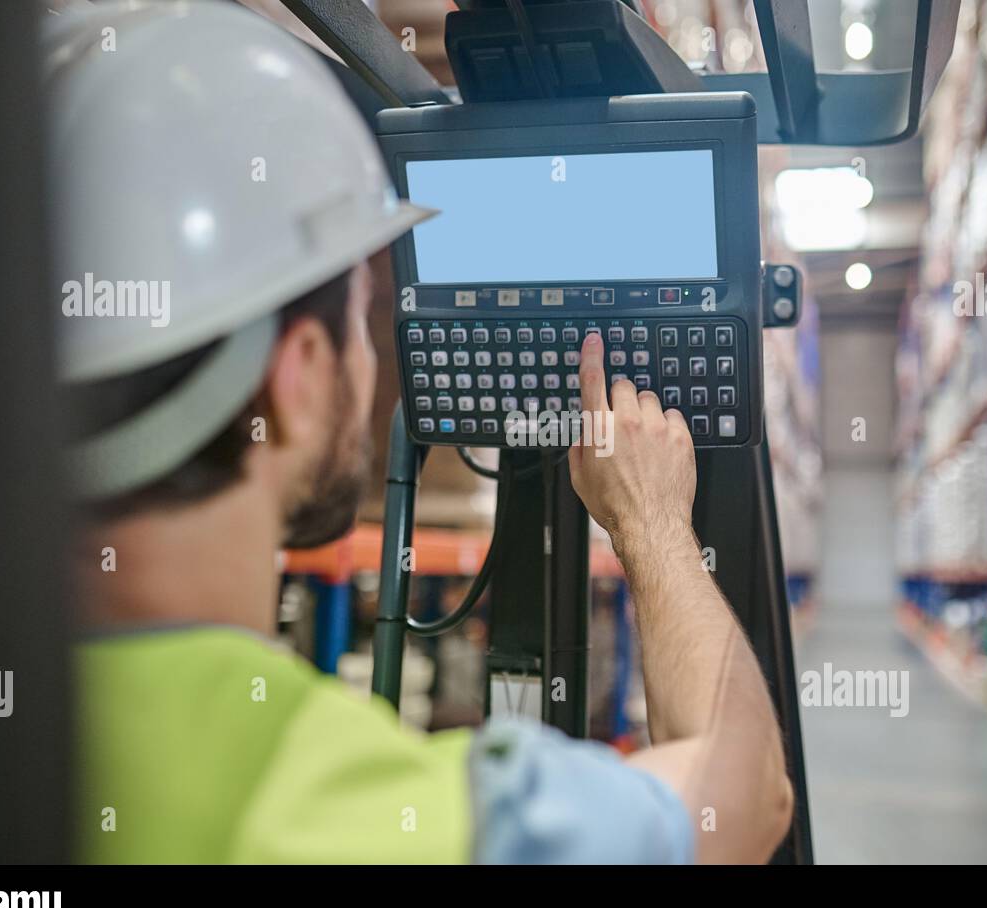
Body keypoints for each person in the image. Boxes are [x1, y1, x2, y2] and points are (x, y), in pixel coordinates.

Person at [57, 0, 791, 864]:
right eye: (363, 319)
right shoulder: (412, 819)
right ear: (294, 377)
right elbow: (745, 798)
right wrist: (656, 524)